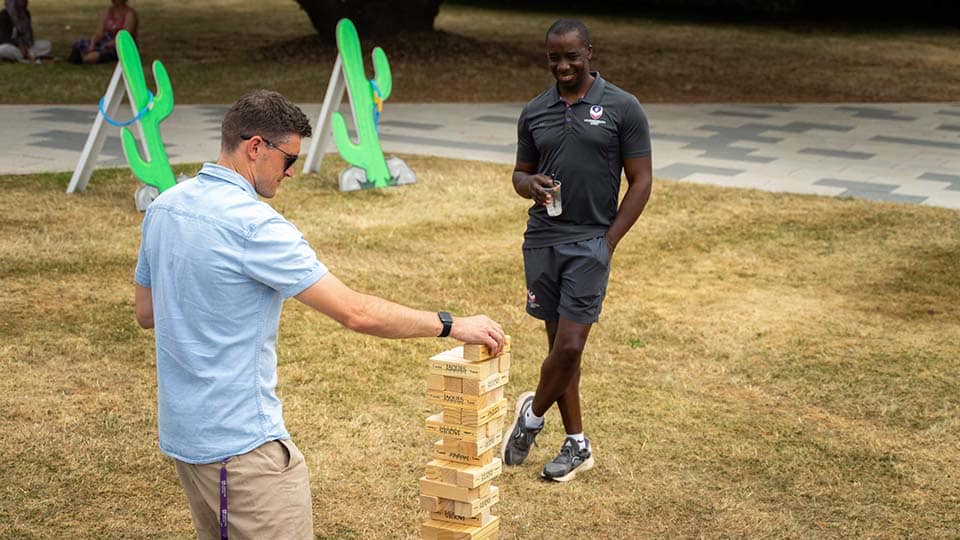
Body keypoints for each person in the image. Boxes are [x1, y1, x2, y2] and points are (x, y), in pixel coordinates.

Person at [134, 90, 506, 539]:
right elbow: (356, 313)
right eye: (288, 158)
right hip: (242, 447)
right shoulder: (258, 227)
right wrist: (451, 324)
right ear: (255, 147)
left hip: (186, 438)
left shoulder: (165, 206)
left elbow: (147, 312)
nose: (291, 172)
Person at [501, 19, 652, 482]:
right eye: (554, 57)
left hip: (591, 241)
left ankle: (531, 416)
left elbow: (642, 181)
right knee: (557, 348)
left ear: (590, 53)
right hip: (544, 240)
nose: (563, 65)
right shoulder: (535, 111)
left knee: (569, 345)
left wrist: (607, 243)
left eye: (572, 56)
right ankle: (577, 444)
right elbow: (519, 174)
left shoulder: (622, 107)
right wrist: (531, 185)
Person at [68, 0, 137, 65]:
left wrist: (110, 44)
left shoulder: (130, 14)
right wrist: (93, 44)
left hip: (119, 46)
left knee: (92, 57)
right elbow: (99, 32)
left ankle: (85, 58)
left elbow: (125, 36)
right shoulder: (108, 11)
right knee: (79, 44)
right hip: (105, 41)